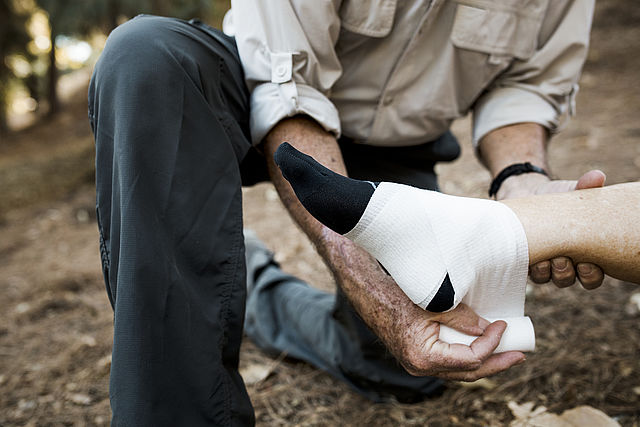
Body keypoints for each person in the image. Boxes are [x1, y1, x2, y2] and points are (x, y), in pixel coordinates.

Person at [88, 1, 603, 424]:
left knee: (408, 363)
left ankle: (257, 284)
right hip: (265, 96)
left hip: (396, 144)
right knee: (145, 57)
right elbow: (287, 85)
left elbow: (526, 87)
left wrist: (520, 178)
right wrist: (373, 285)